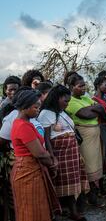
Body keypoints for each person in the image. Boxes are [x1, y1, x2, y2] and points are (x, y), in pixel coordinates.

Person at [38, 85, 90, 221]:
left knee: (72, 183)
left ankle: (72, 210)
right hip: (60, 153)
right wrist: (52, 156)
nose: (67, 104)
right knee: (62, 183)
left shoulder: (61, 112)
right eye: (65, 101)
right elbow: (47, 139)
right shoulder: (45, 114)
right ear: (56, 99)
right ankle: (63, 211)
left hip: (71, 153)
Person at [10, 89, 60, 221]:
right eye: (35, 107)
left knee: (35, 207)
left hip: (30, 170)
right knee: (31, 210)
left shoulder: (25, 123)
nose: (38, 110)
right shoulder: (22, 126)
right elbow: (39, 153)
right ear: (25, 107)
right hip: (27, 172)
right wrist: (52, 164)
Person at [65, 72, 105, 207]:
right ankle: (87, 198)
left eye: (84, 86)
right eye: (80, 86)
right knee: (88, 167)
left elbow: (102, 110)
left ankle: (93, 196)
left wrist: (93, 108)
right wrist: (94, 109)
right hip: (85, 138)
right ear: (71, 87)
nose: (83, 88)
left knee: (96, 166)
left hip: (95, 137)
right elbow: (86, 114)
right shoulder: (70, 101)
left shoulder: (85, 99)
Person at [92, 76, 106, 196]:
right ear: (98, 85)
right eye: (105, 84)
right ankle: (101, 188)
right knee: (102, 158)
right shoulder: (94, 100)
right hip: (101, 130)